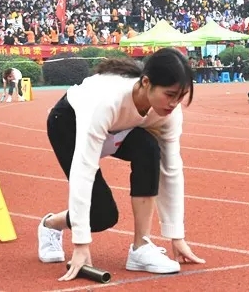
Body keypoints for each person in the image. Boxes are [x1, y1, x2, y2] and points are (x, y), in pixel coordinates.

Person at [37, 48, 205, 281]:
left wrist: (177, 235)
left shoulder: (169, 113)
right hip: (68, 125)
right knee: (101, 216)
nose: (174, 103)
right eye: (170, 95)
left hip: (119, 128)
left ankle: (141, 247)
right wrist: (81, 244)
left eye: (181, 96)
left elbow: (171, 169)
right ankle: (51, 225)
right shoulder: (105, 101)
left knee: (149, 148)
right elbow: (83, 170)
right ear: (146, 83)